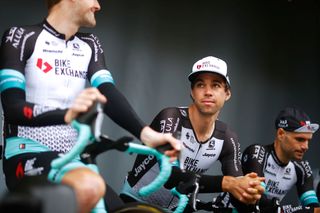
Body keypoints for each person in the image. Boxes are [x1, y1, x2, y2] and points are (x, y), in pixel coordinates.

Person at [0, 0, 180, 213]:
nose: (97, 5)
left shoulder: (90, 44)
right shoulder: (20, 36)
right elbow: (12, 107)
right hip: (27, 152)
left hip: (73, 159)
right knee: (89, 186)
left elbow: (108, 93)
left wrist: (147, 135)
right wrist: (67, 114)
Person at [120, 56, 265, 212]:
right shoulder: (171, 117)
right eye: (200, 85)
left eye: (215, 85)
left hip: (177, 208)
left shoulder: (227, 137)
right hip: (136, 201)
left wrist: (250, 190)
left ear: (227, 94)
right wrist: (229, 183)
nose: (208, 92)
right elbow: (171, 176)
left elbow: (237, 185)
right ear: (192, 92)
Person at [241, 107, 320, 212]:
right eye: (300, 139)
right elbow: (258, 201)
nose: (305, 146)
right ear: (281, 134)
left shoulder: (302, 168)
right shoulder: (258, 152)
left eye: (308, 140)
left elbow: (314, 208)